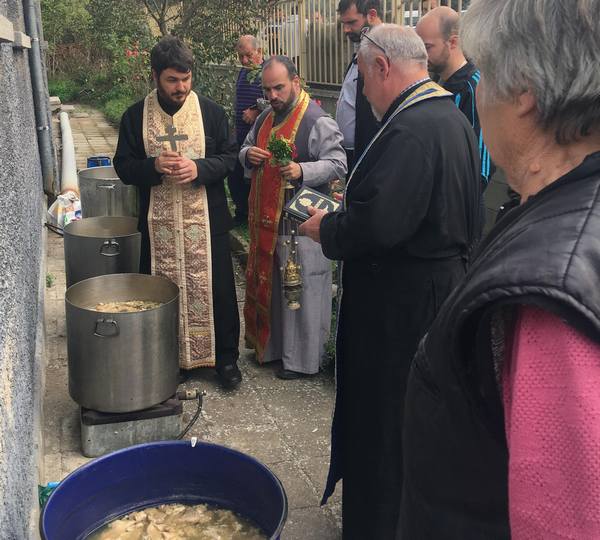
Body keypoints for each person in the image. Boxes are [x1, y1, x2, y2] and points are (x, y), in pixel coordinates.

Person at [399, 1, 600, 538]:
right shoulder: (557, 212)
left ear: (525, 93)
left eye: (485, 77)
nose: (477, 93)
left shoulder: (550, 297)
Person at [300, 24, 482, 539]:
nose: (361, 91)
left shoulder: (410, 129)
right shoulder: (447, 117)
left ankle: (377, 524)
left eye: (361, 78)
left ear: (382, 67)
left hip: (399, 312)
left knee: (384, 422)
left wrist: (326, 227)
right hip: (432, 292)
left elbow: (379, 225)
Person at [113, 36, 242, 389]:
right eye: (172, 80)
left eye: (186, 79)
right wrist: (153, 166)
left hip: (207, 220)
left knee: (217, 290)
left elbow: (230, 158)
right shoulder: (134, 117)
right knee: (161, 289)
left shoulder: (212, 114)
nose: (181, 87)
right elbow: (123, 166)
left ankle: (226, 359)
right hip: (159, 226)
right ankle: (170, 359)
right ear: (155, 75)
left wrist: (199, 169)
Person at [239, 55, 347, 380]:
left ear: (296, 82)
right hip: (268, 223)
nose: (272, 96)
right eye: (267, 89)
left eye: (279, 88)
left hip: (303, 224)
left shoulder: (317, 119)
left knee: (302, 293)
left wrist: (303, 170)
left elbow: (339, 162)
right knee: (274, 291)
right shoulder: (264, 119)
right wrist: (248, 154)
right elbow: (243, 147)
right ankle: (272, 351)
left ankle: (303, 362)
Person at [416, 5, 494, 187]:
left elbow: (482, 166)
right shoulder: (434, 82)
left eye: (427, 47)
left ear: (452, 42)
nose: (421, 55)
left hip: (459, 203)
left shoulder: (474, 88)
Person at [336, 0, 382, 171]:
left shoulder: (384, 52)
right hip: (354, 152)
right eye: (344, 23)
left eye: (351, 22)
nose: (346, 30)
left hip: (370, 155)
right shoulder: (363, 48)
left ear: (371, 15)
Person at [230, 35, 265, 225]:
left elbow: (276, 101)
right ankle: (242, 212)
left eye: (248, 55)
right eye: (240, 56)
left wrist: (256, 110)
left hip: (259, 137)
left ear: (259, 52)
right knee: (235, 175)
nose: (244, 60)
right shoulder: (244, 72)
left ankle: (254, 215)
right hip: (241, 133)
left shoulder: (268, 71)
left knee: (253, 178)